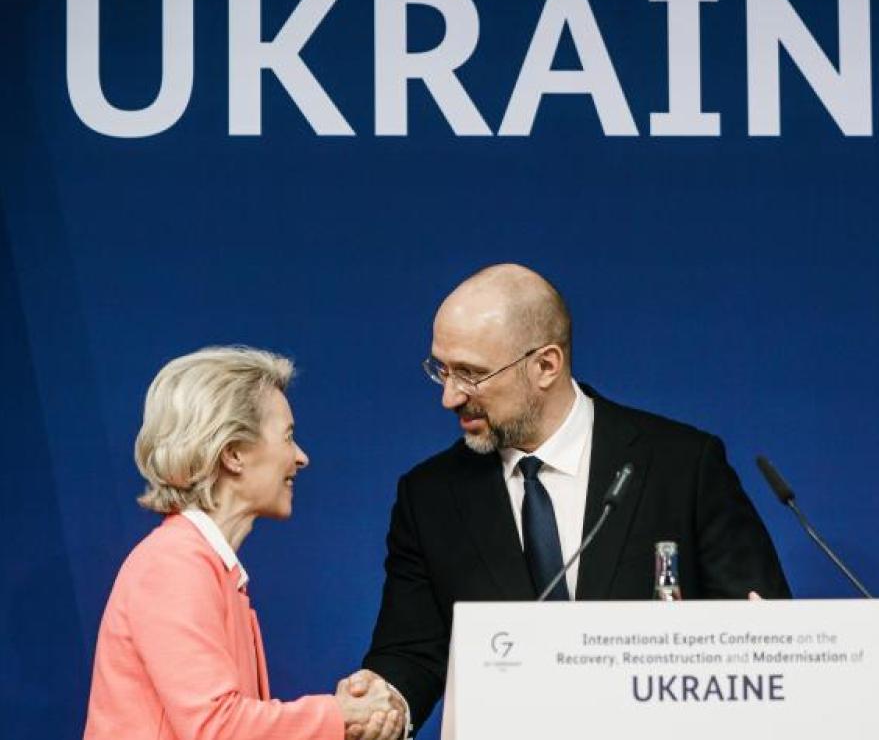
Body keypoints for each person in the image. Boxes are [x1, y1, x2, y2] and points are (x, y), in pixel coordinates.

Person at [354, 263, 791, 730]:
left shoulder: (681, 466)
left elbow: (758, 623)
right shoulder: (430, 496)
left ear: (546, 366)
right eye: (441, 370)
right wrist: (386, 701)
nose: (450, 397)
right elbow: (412, 652)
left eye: (470, 374)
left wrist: (759, 642)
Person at [84, 346, 405, 740]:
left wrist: (345, 718)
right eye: (288, 437)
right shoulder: (173, 565)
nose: (301, 457)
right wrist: (338, 714)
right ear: (233, 453)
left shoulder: (207, 565)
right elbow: (216, 727)